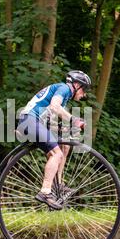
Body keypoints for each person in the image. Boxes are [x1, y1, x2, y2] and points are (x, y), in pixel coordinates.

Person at [17, 70, 92, 210]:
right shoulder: (64, 88)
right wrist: (74, 120)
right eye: (84, 89)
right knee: (56, 154)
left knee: (65, 146)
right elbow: (54, 107)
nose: (84, 94)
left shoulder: (64, 95)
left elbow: (48, 118)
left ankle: (58, 184)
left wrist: (60, 130)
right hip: (29, 120)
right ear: (76, 85)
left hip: (34, 122)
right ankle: (45, 191)